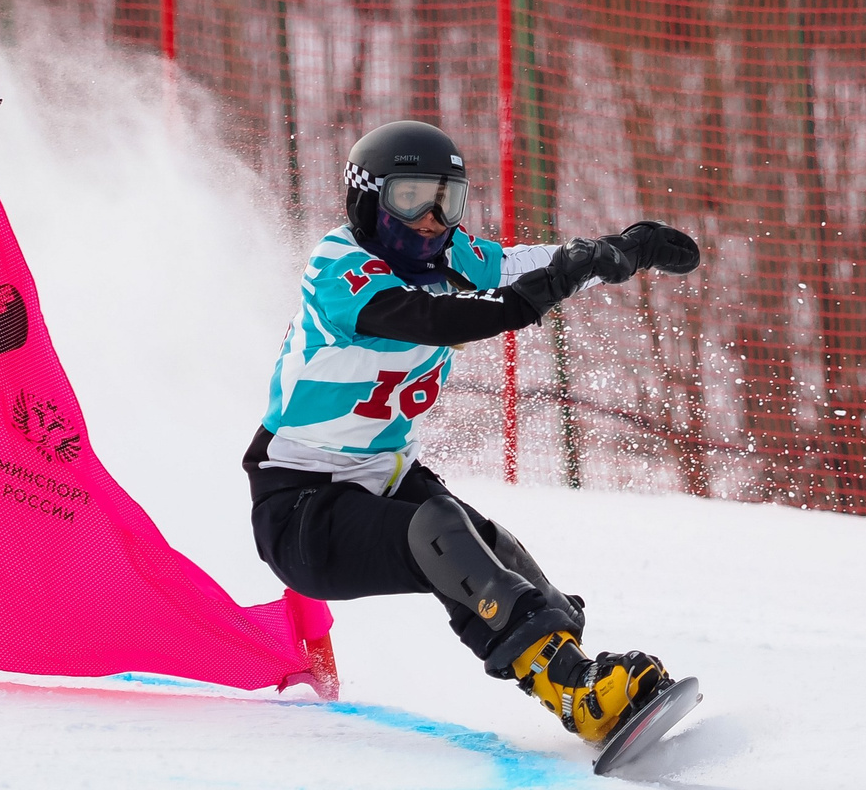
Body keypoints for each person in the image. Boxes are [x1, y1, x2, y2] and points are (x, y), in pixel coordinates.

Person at [244, 119, 701, 744]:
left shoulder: (450, 256)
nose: (431, 221)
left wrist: (617, 252)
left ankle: (578, 678)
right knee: (440, 531)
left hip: (382, 475)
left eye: (447, 201)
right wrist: (539, 293)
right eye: (411, 198)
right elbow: (432, 318)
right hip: (300, 506)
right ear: (366, 200)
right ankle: (574, 689)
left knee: (494, 550)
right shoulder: (339, 267)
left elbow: (525, 265)